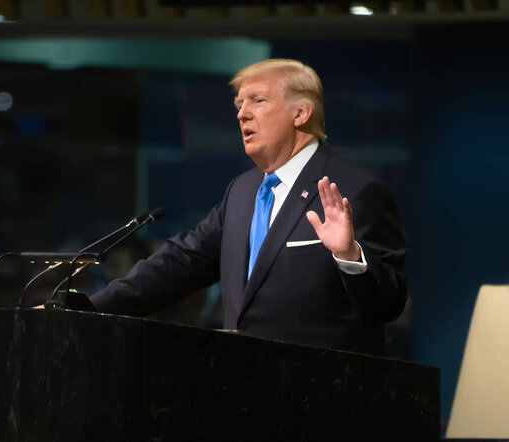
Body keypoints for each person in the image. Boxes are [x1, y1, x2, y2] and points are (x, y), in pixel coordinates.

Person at [90, 59, 406, 355]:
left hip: (321, 397)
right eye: (239, 104)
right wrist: (83, 308)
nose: (242, 113)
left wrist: (350, 257)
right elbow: (180, 263)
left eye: (258, 101)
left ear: (301, 113)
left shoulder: (355, 191)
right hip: (244, 394)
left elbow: (389, 303)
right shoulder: (241, 192)